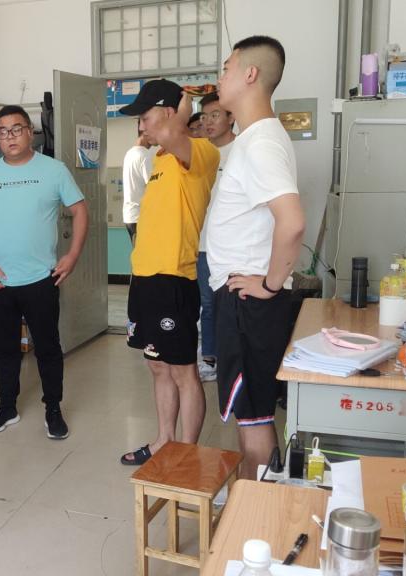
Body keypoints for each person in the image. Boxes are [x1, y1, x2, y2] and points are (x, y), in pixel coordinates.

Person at [206, 36, 306, 480]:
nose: (220, 77)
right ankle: (250, 498)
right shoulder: (254, 138)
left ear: (250, 74)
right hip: (241, 297)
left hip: (249, 300)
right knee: (248, 412)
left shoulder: (261, 142)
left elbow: (293, 222)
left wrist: (268, 285)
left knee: (255, 417)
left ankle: (256, 512)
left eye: (226, 67)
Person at [0, 105, 87, 440]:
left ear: (30, 132)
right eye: (3, 131)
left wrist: (72, 255)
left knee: (47, 347)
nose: (10, 137)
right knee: (4, 348)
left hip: (41, 279)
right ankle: (7, 407)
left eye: (17, 129)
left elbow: (79, 211)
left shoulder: (53, 170)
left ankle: (53, 408)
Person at [118, 80, 220, 466]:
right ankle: (164, 440)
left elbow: (171, 134)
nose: (141, 126)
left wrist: (183, 107)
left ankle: (187, 456)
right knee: (157, 364)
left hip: (173, 280)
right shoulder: (160, 160)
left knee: (182, 371)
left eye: (145, 117)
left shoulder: (200, 153)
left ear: (168, 113)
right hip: (144, 278)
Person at [195, 92, 237, 383]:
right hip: (203, 244)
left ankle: (234, 358)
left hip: (235, 245)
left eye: (215, 115)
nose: (207, 121)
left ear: (231, 117)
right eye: (204, 116)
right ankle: (209, 357)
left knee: (232, 304)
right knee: (207, 304)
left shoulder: (242, 150)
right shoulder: (198, 152)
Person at [121, 126, 155, 244]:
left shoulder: (129, 153)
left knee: (139, 253)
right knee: (147, 253)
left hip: (130, 215)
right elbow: (153, 186)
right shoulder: (145, 155)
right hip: (141, 216)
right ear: (145, 133)